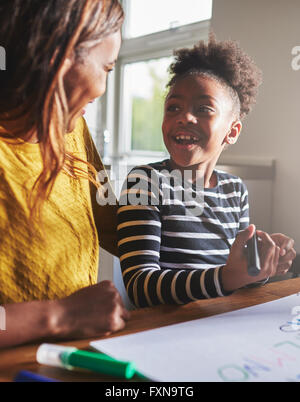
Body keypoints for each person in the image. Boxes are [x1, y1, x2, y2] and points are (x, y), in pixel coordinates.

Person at [118, 35, 296, 308]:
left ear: (232, 131)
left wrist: (262, 266)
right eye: (173, 107)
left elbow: (239, 279)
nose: (184, 117)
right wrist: (226, 278)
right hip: (162, 329)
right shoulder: (144, 183)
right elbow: (140, 287)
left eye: (203, 109)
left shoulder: (235, 189)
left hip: (216, 323)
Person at [0, 0, 129, 349]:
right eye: (106, 67)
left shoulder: (72, 128)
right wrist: (60, 315)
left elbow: (110, 221)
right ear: (58, 56)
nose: (102, 88)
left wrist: (210, 252)